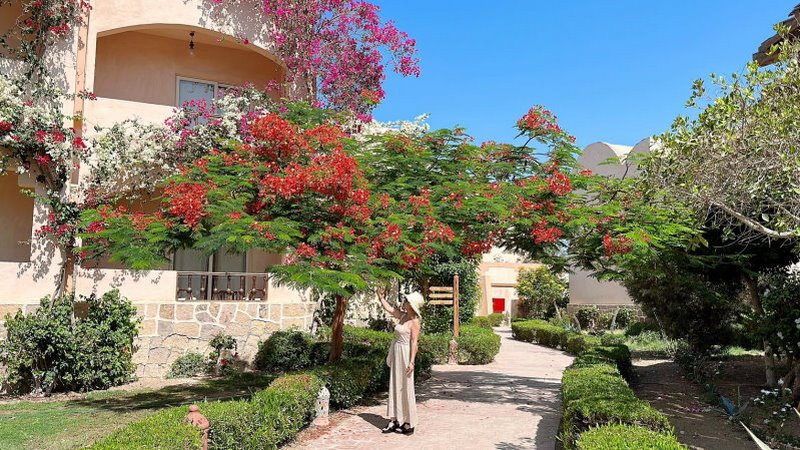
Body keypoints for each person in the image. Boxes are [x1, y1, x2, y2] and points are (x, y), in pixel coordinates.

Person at [379, 291, 422, 435]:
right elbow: (389, 308)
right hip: (396, 351)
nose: (404, 301)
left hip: (405, 354)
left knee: (406, 386)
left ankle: (408, 422)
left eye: (406, 300)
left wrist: (411, 362)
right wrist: (380, 296)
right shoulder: (403, 316)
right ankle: (394, 419)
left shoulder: (415, 321)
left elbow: (414, 343)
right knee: (395, 384)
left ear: (411, 304)